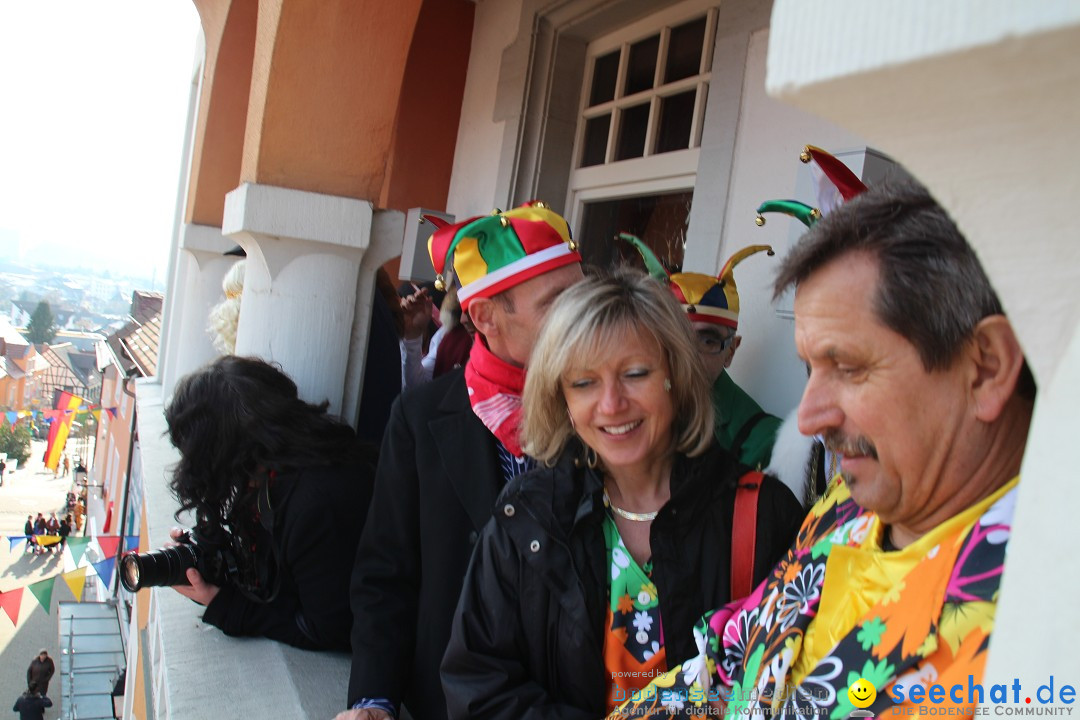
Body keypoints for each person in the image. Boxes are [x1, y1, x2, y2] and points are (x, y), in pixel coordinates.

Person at [611, 180, 1035, 718]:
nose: (808, 418)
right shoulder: (846, 507)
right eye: (811, 369)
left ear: (986, 368)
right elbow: (722, 668)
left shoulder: (1042, 624)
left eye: (850, 367)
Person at [440, 271, 803, 719]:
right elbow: (478, 684)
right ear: (562, 399)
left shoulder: (763, 513)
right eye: (584, 382)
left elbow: (797, 686)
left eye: (635, 373)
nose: (611, 404)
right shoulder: (528, 517)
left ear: (675, 375)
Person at [340, 202, 584, 720]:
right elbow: (386, 572)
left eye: (585, 297)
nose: (583, 321)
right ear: (485, 316)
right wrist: (374, 699)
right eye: (559, 304)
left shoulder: (603, 412)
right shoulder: (420, 417)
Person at [162, 355, 377, 650]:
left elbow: (326, 629)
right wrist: (212, 556)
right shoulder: (288, 468)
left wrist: (229, 608)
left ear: (221, 451)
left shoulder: (315, 504)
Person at [621, 234, 781, 470]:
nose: (686, 352)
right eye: (673, 335)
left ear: (730, 352)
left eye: (707, 340)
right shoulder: (622, 411)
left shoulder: (764, 441)